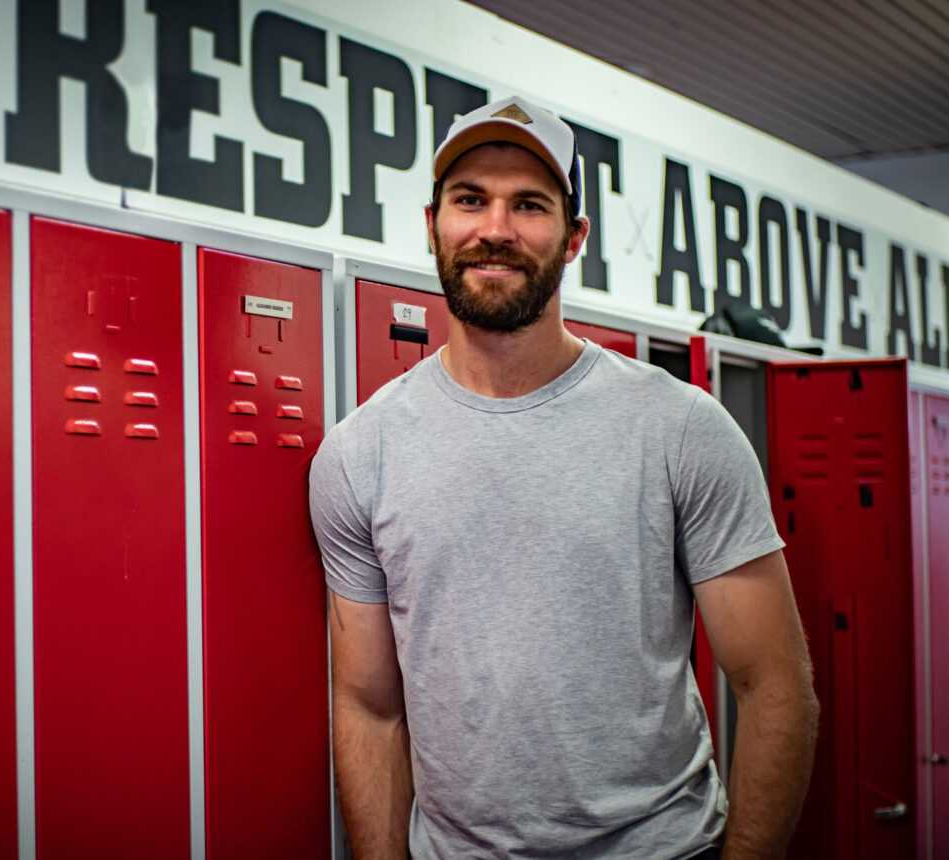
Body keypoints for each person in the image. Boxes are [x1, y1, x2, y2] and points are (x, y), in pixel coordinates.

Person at [308, 94, 819, 859]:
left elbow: (776, 686)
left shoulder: (681, 428)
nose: (495, 230)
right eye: (470, 200)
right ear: (432, 223)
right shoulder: (360, 453)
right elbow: (368, 707)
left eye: (530, 205)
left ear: (574, 237)